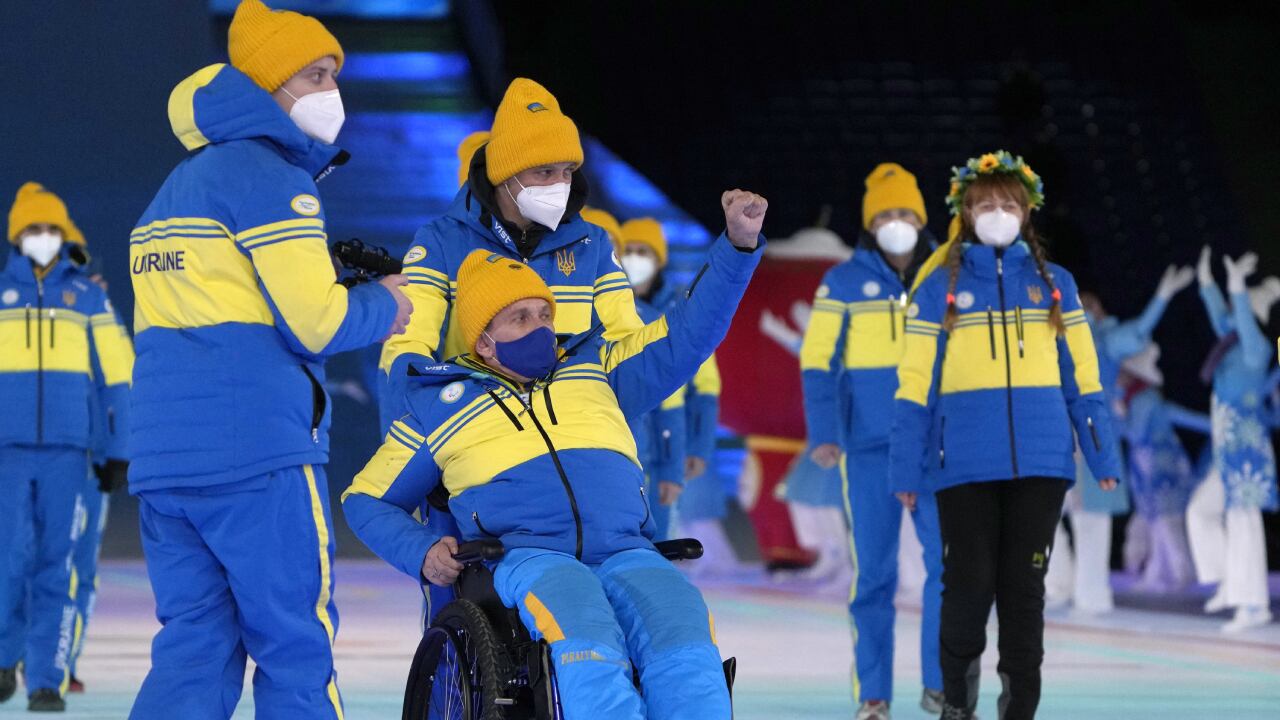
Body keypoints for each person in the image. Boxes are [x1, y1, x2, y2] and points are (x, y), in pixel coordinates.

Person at [344, 189, 767, 720]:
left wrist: (736, 247)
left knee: (682, 632)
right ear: (484, 342)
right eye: (520, 318)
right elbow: (365, 500)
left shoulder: (596, 368)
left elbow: (687, 333)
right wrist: (422, 551)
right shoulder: (440, 403)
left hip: (626, 550)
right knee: (586, 631)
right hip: (532, 557)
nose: (541, 326)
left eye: (545, 313)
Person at [126, 2, 411, 717]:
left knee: (193, 651)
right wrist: (387, 303)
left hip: (164, 464)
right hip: (256, 457)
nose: (331, 91)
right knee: (294, 647)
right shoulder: (271, 179)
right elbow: (316, 323)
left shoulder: (171, 191)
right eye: (314, 75)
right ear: (266, 85)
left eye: (334, 75)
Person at [889, 151, 1121, 720]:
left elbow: (1085, 380)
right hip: (964, 465)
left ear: (1026, 212)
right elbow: (913, 387)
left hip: (1042, 464)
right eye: (986, 204)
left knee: (1024, 596)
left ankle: (1019, 712)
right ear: (966, 214)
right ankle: (958, 707)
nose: (998, 213)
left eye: (1008, 204)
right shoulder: (936, 289)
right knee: (966, 591)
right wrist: (905, 468)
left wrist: (1102, 457)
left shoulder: (1056, 286)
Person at [377, 77, 644, 431]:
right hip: (477, 434)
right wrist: (407, 443)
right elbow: (407, 346)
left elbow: (628, 350)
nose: (560, 186)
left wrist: (622, 445)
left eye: (567, 172)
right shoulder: (442, 242)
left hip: (575, 435)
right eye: (544, 172)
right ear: (505, 172)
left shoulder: (592, 244)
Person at [800, 163, 943, 719]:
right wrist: (825, 433)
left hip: (934, 447)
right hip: (868, 448)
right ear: (869, 224)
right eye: (885, 216)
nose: (896, 224)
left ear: (922, 219)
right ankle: (874, 695)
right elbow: (818, 360)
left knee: (949, 568)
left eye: (905, 213)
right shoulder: (841, 282)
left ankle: (942, 686)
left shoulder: (945, 277)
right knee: (876, 574)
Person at [0, 183, 132, 711]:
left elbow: (119, 378)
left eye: (51, 229)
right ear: (16, 236)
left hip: (69, 454)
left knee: (59, 565)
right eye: (33, 229)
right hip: (7, 453)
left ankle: (47, 679)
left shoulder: (88, 298)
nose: (43, 237)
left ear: (65, 234)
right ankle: (4, 658)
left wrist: (119, 449)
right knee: (7, 560)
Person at [1044, 265, 1194, 613]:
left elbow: (1139, 330)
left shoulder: (1106, 341)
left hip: (1093, 438)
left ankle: (1091, 595)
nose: (1081, 310)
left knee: (1091, 520)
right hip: (1058, 439)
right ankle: (1060, 585)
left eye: (1088, 306)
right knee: (1040, 514)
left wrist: (1162, 296)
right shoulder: (1053, 343)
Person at [1185, 246, 1277, 632]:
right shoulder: (1232, 345)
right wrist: (1207, 282)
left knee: (1243, 522)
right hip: (1226, 451)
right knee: (1200, 511)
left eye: (1240, 307)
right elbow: (1221, 317)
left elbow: (1235, 318)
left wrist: (1237, 285)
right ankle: (1229, 581)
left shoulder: (1257, 349)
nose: (1231, 314)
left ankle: (1253, 605)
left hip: (1247, 450)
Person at [1115, 343, 1208, 592]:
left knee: (1166, 522)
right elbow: (1187, 418)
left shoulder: (1143, 398)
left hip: (1159, 467)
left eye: (1122, 371)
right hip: (1153, 467)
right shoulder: (1142, 397)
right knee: (1158, 521)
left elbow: (1135, 433)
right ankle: (1160, 574)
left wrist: (1119, 416)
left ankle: (1179, 574)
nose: (1118, 375)